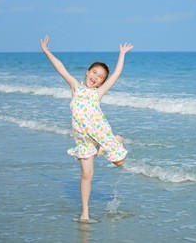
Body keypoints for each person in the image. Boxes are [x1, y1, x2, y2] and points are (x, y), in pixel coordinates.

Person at [40, 35, 134, 222]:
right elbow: (61, 68)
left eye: (100, 77)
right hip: (83, 140)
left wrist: (122, 54)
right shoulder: (76, 88)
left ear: (101, 83)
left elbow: (116, 75)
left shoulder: (97, 93)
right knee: (86, 175)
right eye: (94, 73)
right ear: (87, 72)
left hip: (101, 134)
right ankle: (85, 213)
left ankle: (117, 139)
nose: (96, 78)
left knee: (119, 162)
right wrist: (47, 51)